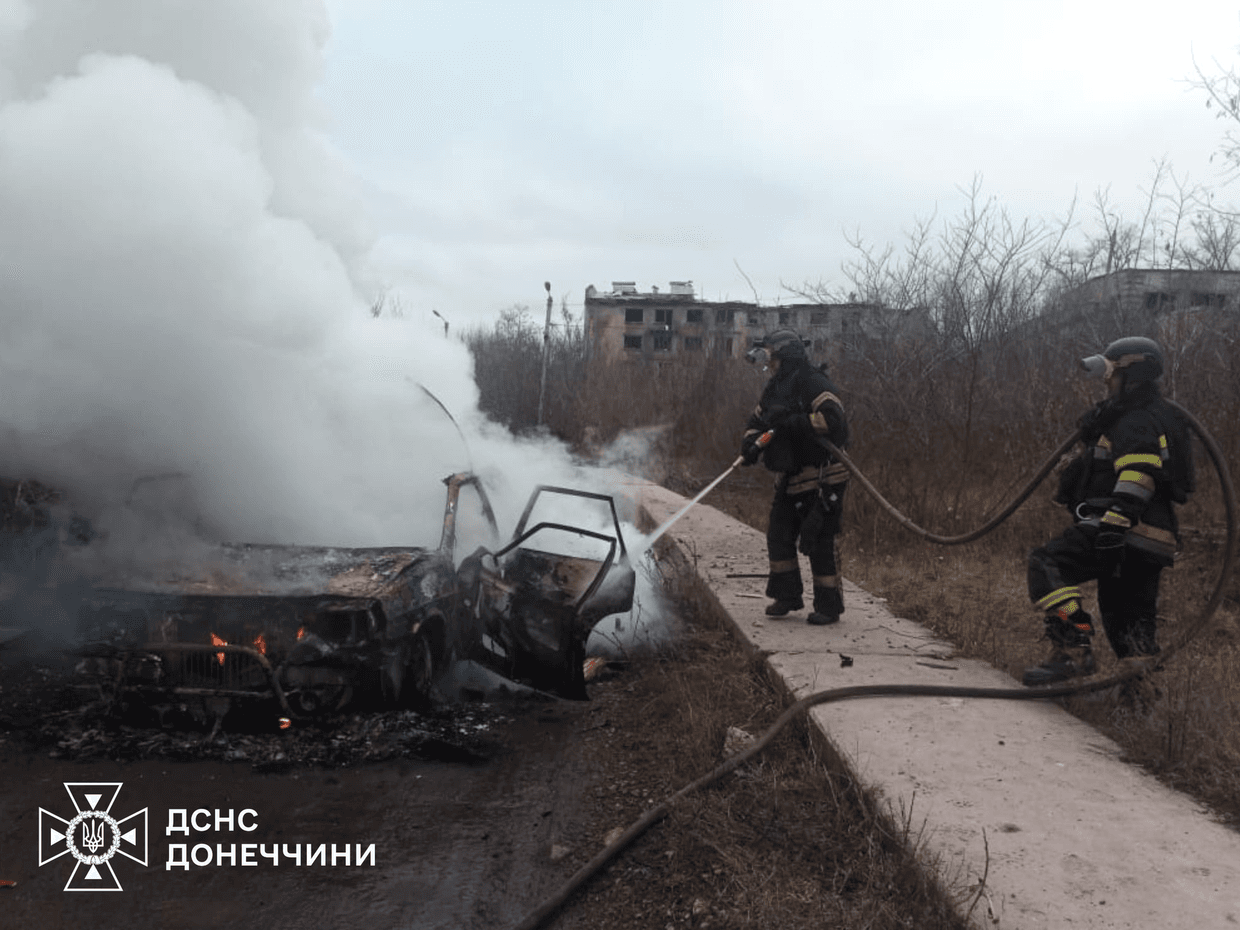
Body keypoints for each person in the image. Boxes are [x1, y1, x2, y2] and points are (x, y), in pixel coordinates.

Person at [1023, 336, 1193, 686]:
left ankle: (1073, 647)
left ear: (1131, 374)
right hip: (1153, 539)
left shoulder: (1136, 419)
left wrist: (1114, 524)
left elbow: (1139, 472)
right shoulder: (1151, 415)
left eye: (1111, 373)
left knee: (1047, 563)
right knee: (1129, 626)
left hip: (1125, 529)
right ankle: (1140, 702)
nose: (1107, 381)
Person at [740, 329, 850, 626]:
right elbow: (757, 422)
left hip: (823, 476)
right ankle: (786, 596)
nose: (769, 364)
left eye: (772, 358)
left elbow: (835, 421)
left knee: (818, 540)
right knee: (778, 535)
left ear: (786, 356)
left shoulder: (813, 382)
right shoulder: (775, 388)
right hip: (791, 478)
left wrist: (796, 422)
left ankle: (828, 607)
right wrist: (750, 445)